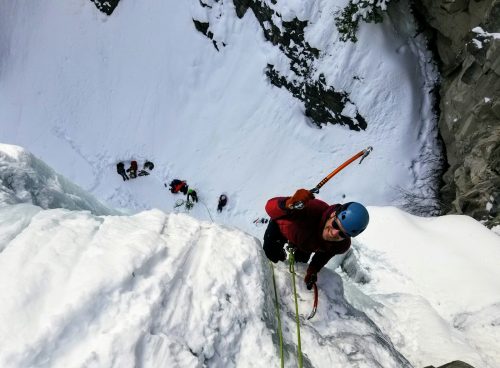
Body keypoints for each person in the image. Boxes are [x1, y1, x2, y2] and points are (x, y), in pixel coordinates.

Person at [263, 189, 369, 289]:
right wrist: (289, 203)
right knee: (270, 256)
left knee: (300, 263)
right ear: (333, 214)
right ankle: (279, 255)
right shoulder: (311, 208)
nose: (334, 233)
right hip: (280, 230)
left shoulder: (341, 245)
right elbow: (269, 207)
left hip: (306, 245)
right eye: (335, 225)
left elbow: (324, 255)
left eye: (343, 234)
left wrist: (312, 271)